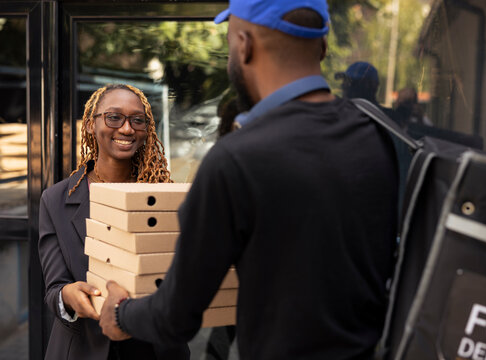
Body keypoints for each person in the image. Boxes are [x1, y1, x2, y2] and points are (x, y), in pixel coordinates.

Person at [100, 1, 399, 359]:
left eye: (229, 43)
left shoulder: (235, 161)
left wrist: (120, 313)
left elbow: (174, 319)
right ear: (321, 48)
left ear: (244, 45)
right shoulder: (378, 138)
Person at [38, 84, 189, 360]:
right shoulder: (56, 199)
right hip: (82, 349)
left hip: (154, 349)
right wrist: (69, 295)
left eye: (137, 120)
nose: (127, 129)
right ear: (91, 125)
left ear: (147, 130)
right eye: (114, 117)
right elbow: (54, 289)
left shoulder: (165, 197)